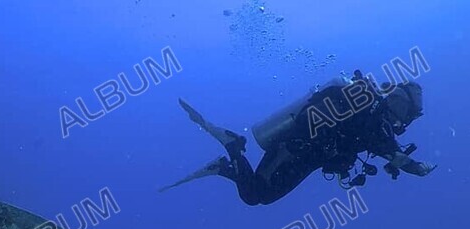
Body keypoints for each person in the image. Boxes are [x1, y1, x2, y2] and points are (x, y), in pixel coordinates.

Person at [160, 72, 437, 205]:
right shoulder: (375, 121)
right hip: (294, 149)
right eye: (410, 115)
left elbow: (387, 149)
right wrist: (419, 169)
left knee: (258, 195)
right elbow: (395, 155)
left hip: (306, 157)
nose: (406, 122)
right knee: (255, 194)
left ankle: (226, 164)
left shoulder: (372, 118)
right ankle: (231, 149)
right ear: (402, 107)